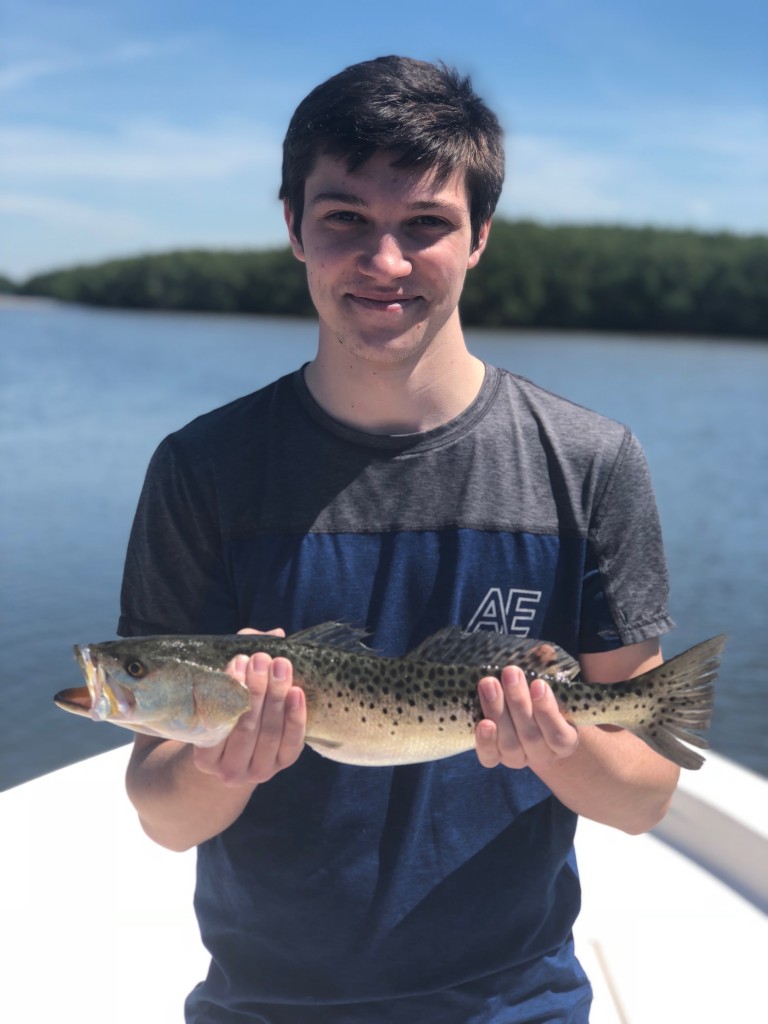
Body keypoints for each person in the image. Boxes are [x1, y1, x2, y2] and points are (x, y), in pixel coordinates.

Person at [122, 55, 679, 1023]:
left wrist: (553, 746)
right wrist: (225, 760)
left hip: (515, 998)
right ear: (294, 227)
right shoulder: (203, 468)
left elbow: (641, 799)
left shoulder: (590, 462)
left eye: (425, 225)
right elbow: (164, 815)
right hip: (266, 998)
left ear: (480, 238)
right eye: (346, 221)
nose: (385, 263)